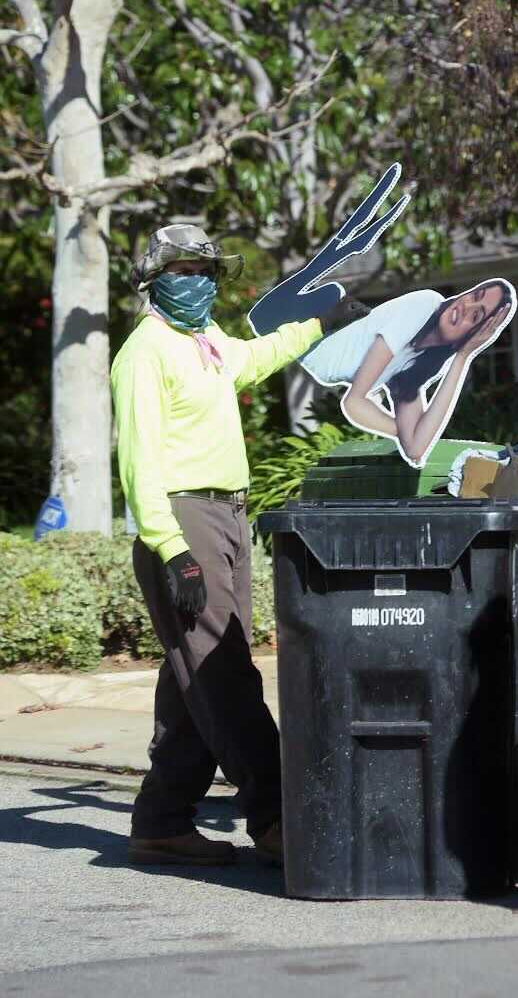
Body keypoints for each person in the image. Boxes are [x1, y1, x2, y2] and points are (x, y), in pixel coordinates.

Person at [110, 224, 368, 866]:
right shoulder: (143, 353)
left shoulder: (206, 340)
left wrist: (318, 324)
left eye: (206, 272)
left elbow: (251, 361)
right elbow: (138, 460)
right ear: (153, 279)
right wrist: (171, 549)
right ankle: (278, 816)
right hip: (183, 516)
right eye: (183, 271)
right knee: (225, 672)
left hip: (226, 513)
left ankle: (162, 819)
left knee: (193, 675)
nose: (197, 282)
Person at [301, 279, 515, 466]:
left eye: (476, 315)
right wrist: (403, 432)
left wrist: (462, 357)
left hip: (301, 352)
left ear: (472, 335)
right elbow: (355, 402)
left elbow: (415, 450)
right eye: (475, 295)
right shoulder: (423, 305)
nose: (466, 306)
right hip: (300, 333)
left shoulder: (425, 360)